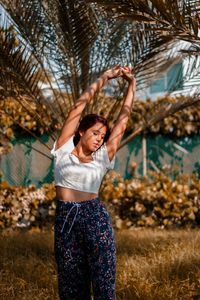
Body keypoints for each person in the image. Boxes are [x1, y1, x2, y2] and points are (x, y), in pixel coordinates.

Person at [50, 65, 136, 300]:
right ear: (80, 132)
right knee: (70, 286)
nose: (100, 139)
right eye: (96, 133)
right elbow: (78, 107)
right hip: (66, 219)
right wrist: (104, 78)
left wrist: (131, 85)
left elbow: (123, 120)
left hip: (95, 217)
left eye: (103, 135)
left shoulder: (102, 156)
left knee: (104, 283)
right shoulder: (63, 148)